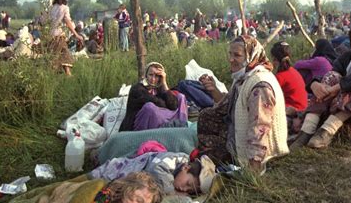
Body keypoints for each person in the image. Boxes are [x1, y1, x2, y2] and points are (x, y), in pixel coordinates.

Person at [197, 35, 289, 174]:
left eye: (237, 55)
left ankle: (240, 158)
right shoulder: (244, 76)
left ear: (251, 57)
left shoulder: (260, 85)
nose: (231, 59)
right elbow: (227, 106)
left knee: (206, 158)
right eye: (230, 54)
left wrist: (253, 167)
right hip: (241, 132)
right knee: (206, 116)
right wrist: (213, 89)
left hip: (262, 150)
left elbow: (260, 128)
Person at [88, 152, 216, 195]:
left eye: (189, 190)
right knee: (91, 185)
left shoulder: (177, 174)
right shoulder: (175, 159)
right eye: (187, 183)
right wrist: (172, 191)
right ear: (186, 168)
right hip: (114, 171)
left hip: (125, 184)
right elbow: (156, 169)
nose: (183, 189)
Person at [119, 62, 188, 132]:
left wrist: (164, 83)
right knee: (150, 107)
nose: (153, 79)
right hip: (136, 127)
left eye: (157, 76)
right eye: (150, 75)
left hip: (158, 118)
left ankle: (182, 129)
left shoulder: (158, 88)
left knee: (180, 97)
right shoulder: (137, 89)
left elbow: (173, 105)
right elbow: (157, 102)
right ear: (146, 75)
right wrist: (167, 105)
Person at [48, 0, 84, 76]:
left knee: (63, 53)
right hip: (58, 36)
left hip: (51, 35)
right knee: (57, 56)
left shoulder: (50, 8)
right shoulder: (64, 8)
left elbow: (44, 21)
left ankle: (68, 73)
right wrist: (76, 34)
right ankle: (57, 74)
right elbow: (68, 22)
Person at [270, 41, 308, 116]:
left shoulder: (280, 77)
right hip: (303, 108)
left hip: (293, 112)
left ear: (275, 60)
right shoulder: (293, 71)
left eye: (273, 59)